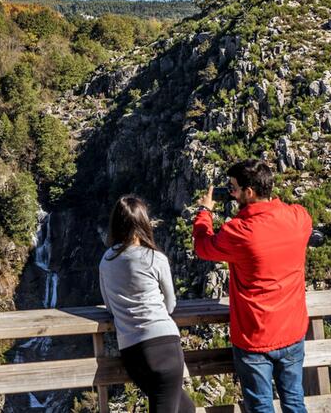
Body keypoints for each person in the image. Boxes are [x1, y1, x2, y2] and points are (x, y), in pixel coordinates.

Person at [193, 160, 312, 413]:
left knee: (260, 407)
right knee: (294, 402)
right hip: (292, 331)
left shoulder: (240, 231)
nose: (231, 193)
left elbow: (203, 246)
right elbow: (291, 216)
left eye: (234, 189)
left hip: (255, 336)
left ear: (249, 192)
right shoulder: (298, 218)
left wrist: (205, 212)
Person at [99, 195, 195, 413]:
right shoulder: (155, 258)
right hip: (164, 345)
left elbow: (109, 306)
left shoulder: (106, 260)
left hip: (132, 350)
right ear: (143, 223)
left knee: (186, 408)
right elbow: (170, 305)